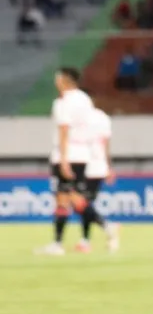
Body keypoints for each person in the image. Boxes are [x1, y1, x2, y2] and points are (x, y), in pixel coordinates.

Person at [36, 68, 96, 255]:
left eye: (57, 79)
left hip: (66, 154)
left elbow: (64, 129)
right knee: (75, 197)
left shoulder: (62, 101)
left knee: (62, 199)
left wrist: (63, 160)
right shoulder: (85, 100)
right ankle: (102, 228)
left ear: (64, 80)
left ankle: (58, 244)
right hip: (83, 154)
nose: (56, 82)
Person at [82, 106, 121, 253]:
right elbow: (106, 144)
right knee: (85, 204)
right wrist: (108, 166)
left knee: (82, 203)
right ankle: (85, 240)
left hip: (85, 164)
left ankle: (104, 228)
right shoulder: (103, 117)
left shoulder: (80, 117)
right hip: (99, 166)